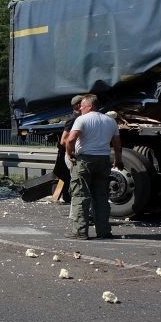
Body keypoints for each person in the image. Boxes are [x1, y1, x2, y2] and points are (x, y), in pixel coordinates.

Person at [65, 94, 123, 240]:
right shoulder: (110, 121)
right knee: (101, 196)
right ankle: (103, 231)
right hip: (104, 160)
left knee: (80, 195)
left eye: (82, 106)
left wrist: (70, 153)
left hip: (85, 160)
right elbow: (117, 144)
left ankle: (79, 231)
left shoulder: (82, 119)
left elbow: (70, 139)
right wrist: (118, 160)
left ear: (90, 106)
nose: (80, 109)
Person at [52, 95, 84, 202]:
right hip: (69, 152)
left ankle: (65, 197)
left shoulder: (78, 118)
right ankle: (69, 198)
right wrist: (72, 148)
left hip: (69, 151)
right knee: (70, 176)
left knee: (66, 175)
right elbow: (63, 140)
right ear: (79, 105)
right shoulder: (73, 119)